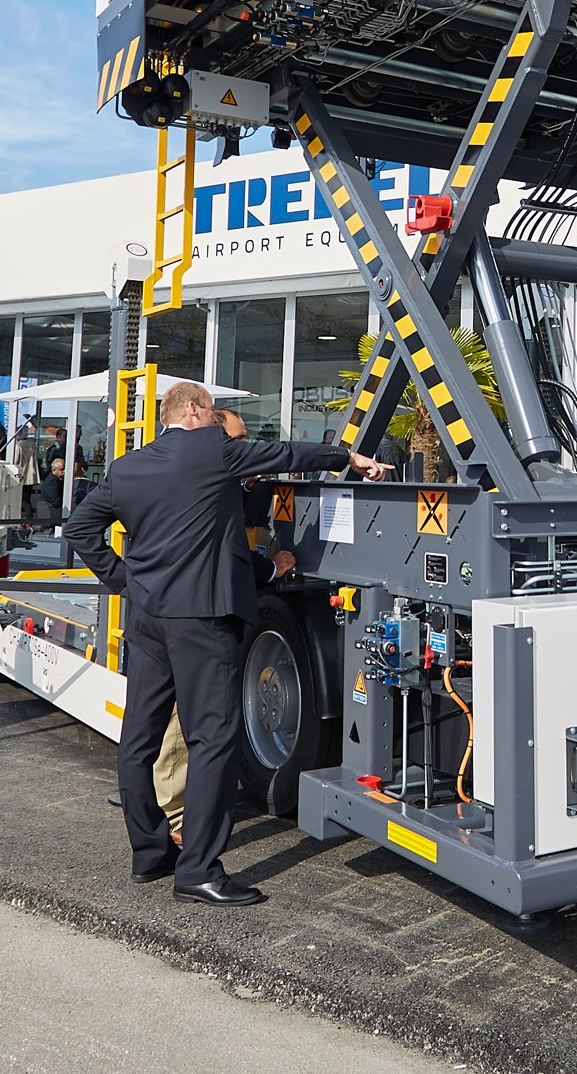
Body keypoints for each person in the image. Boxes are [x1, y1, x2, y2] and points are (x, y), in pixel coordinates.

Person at [65, 380, 385, 906]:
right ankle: (198, 871)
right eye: (212, 411)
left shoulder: (127, 467)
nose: (217, 420)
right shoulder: (211, 450)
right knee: (213, 739)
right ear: (193, 410)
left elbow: (79, 528)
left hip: (148, 618)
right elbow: (284, 452)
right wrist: (345, 456)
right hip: (202, 622)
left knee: (139, 739)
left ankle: (149, 853)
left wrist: (125, 579)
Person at [148, 409, 299, 846]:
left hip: (184, 607)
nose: (241, 448)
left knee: (190, 719)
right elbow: (226, 549)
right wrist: (270, 568)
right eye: (235, 440)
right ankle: (178, 821)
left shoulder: (221, 478)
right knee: (182, 721)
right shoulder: (203, 483)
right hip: (191, 614)